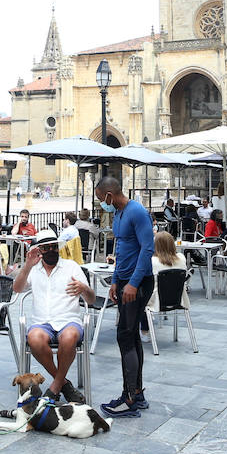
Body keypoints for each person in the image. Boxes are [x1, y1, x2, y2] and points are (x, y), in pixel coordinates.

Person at [96, 176, 155, 418]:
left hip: (137, 282)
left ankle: (129, 398)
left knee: (125, 336)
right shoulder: (119, 214)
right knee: (130, 335)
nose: (101, 204)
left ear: (110, 195)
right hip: (124, 280)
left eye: (101, 199)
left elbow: (147, 249)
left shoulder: (137, 212)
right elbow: (121, 249)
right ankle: (136, 393)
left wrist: (133, 283)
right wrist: (116, 280)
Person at [13, 229, 95, 402]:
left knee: (69, 337)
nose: (51, 250)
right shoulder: (33, 269)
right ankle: (64, 385)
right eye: (46, 248)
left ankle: (55, 386)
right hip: (41, 323)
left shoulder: (71, 267)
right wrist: (27, 266)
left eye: (54, 247)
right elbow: (17, 289)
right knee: (34, 339)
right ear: (39, 251)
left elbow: (91, 299)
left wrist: (84, 288)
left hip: (68, 320)